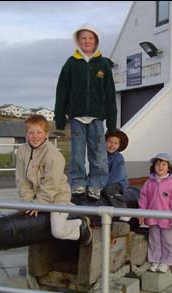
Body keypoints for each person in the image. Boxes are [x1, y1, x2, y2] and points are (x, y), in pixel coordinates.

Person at [54, 23, 117, 200]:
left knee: (98, 155)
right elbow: (62, 90)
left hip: (97, 118)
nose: (87, 41)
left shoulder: (103, 64)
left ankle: (96, 184)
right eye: (83, 38)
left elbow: (110, 95)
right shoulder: (71, 63)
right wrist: (60, 117)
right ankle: (78, 183)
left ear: (96, 41)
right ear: (78, 41)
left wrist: (111, 124)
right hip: (76, 118)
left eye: (90, 38)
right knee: (77, 154)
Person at [15, 115, 92, 246]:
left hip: (57, 196)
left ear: (46, 134)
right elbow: (21, 180)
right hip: (36, 196)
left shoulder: (53, 154)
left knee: (58, 231)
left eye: (39, 132)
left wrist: (38, 203)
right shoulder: (22, 151)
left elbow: (52, 184)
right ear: (26, 134)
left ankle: (79, 224)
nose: (35, 136)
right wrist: (28, 202)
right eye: (31, 132)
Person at [138, 153, 172, 273]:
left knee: (168, 241)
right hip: (152, 218)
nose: (160, 167)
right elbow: (143, 199)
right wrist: (142, 213)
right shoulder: (149, 182)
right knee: (154, 240)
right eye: (158, 164)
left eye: (164, 164)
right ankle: (155, 260)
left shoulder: (170, 182)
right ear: (154, 166)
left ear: (168, 167)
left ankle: (166, 262)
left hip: (167, 219)